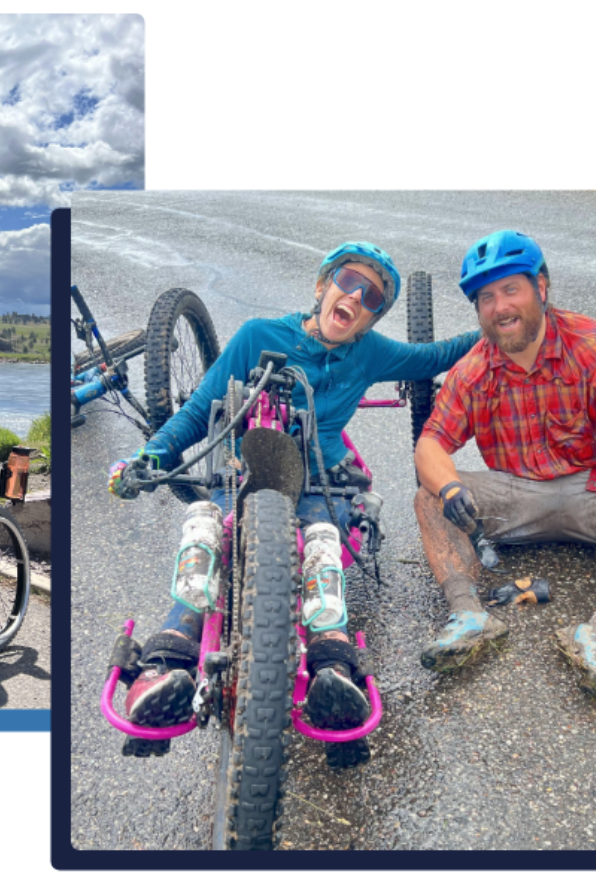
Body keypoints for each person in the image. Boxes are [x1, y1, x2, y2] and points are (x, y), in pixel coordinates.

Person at [107, 243, 479, 766]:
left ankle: (334, 668)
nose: (355, 296)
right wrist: (147, 457)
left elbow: (436, 356)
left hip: (323, 483)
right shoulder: (258, 336)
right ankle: (166, 660)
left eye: (370, 296)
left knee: (322, 542)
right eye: (348, 281)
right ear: (322, 286)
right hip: (243, 474)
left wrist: (498, 326)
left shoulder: (371, 351)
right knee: (206, 526)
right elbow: (196, 412)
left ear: (371, 318)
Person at [413, 230, 596, 697]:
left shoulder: (593, 346)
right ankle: (469, 616)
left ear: (540, 289)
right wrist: (448, 488)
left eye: (511, 289)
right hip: (516, 494)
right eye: (486, 297)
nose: (500, 306)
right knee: (427, 498)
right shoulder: (473, 371)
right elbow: (430, 446)